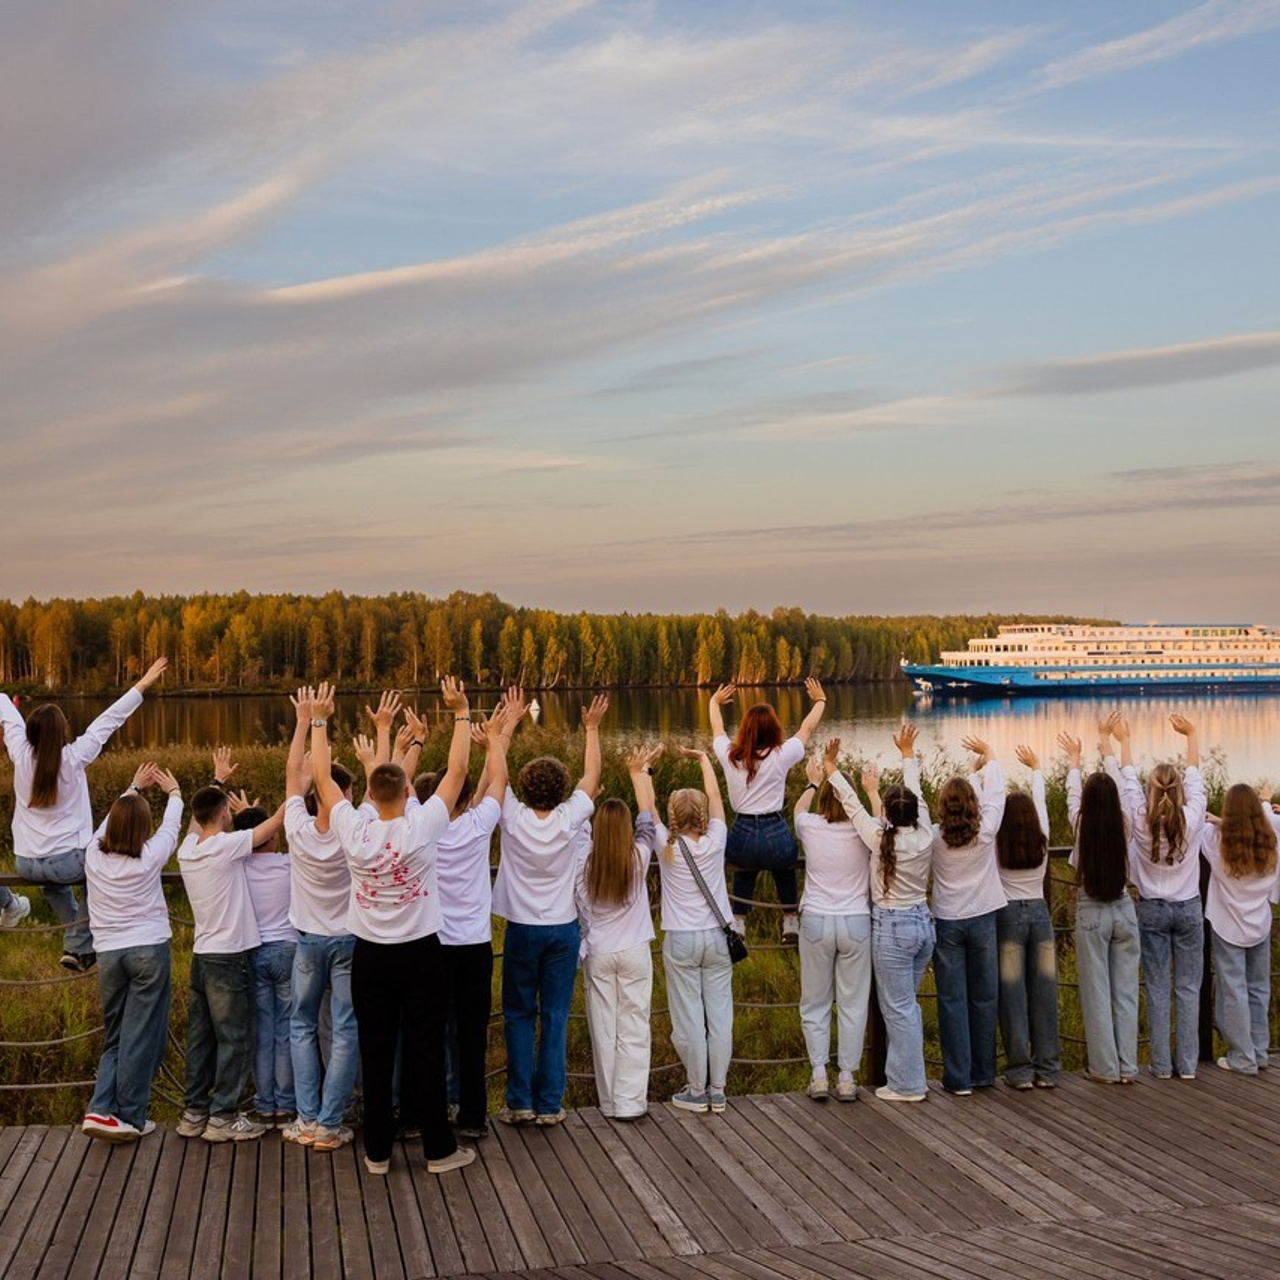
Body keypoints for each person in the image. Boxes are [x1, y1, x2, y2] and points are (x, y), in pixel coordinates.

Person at [310, 678, 480, 1177]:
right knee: (425, 1050)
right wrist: (462, 712)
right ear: (408, 792)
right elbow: (458, 770)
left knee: (376, 1049)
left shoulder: (354, 828)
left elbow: (322, 780)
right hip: (420, 954)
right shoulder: (421, 824)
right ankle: (436, 1150)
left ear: (366, 794)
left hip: (370, 956)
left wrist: (320, 720)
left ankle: (378, 1152)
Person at [1, 657, 168, 969]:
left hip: (26, 863)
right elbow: (111, 718)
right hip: (67, 861)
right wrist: (144, 682)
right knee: (100, 877)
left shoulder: (20, 753)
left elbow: (1, 703)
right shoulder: (75, 757)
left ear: (32, 733)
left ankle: (76, 945)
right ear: (62, 732)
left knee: (53, 884)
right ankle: (80, 942)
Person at [492, 691, 607, 1127]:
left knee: (519, 1016)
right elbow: (592, 775)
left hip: (523, 930)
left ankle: (519, 1101)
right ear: (562, 791)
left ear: (524, 789)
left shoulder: (513, 817)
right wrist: (591, 728)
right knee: (555, 1017)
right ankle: (549, 1105)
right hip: (563, 931)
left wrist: (506, 727)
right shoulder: (569, 819)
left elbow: (495, 776)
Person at [414, 697, 516, 1140]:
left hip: (433, 943)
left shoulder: (422, 826)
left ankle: (431, 1111)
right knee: (473, 1033)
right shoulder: (477, 827)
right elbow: (499, 783)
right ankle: (473, 1116)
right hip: (473, 945)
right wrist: (495, 741)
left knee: (432, 1034)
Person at [824, 726, 935, 1103]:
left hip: (893, 929)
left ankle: (908, 1085)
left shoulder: (878, 838)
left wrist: (831, 769)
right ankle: (908, 1077)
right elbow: (915, 794)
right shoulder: (925, 835)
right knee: (907, 1006)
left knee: (899, 1008)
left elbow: (852, 806)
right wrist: (907, 754)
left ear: (886, 814)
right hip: (923, 924)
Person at [176, 763, 285, 1142]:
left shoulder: (188, 849)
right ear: (224, 815)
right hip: (230, 955)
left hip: (202, 955)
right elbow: (269, 829)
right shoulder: (226, 846)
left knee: (201, 1037)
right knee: (236, 1037)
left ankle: (193, 1113)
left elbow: (196, 821)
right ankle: (224, 1116)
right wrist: (297, 789)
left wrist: (217, 781)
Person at [81, 763, 183, 1141]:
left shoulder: (93, 854)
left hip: (108, 954)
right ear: (143, 829)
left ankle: (100, 1109)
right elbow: (171, 828)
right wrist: (174, 794)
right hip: (147, 952)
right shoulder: (149, 856)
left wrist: (133, 788)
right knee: (141, 1035)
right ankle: (130, 1117)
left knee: (117, 1034)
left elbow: (104, 826)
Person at [281, 687, 361, 1152]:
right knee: (346, 1028)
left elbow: (295, 774)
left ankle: (307, 1118)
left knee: (301, 1025)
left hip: (309, 942)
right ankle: (331, 1124)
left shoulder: (297, 828)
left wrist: (305, 722)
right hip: (349, 940)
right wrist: (321, 723)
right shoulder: (353, 831)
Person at [1112, 714, 1207, 1081]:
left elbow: (1128, 778)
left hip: (1150, 909)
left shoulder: (1139, 816)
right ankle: (1187, 1066)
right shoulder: (1193, 816)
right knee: (1187, 987)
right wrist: (1192, 735)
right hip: (1188, 909)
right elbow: (1196, 777)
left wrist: (1124, 740)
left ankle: (1162, 1067)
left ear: (1151, 791)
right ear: (1179, 791)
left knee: (1155, 986)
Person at [578, 744, 662, 1122]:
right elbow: (648, 819)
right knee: (634, 1026)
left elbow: (576, 828)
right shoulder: (638, 857)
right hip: (634, 952)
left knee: (603, 1028)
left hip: (597, 952)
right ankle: (631, 1101)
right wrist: (638, 772)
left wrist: (587, 797)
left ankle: (609, 1101)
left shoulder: (584, 865)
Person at [709, 679, 827, 939]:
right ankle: (790, 921)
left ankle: (738, 923)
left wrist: (713, 703)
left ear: (745, 729)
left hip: (741, 834)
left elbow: (717, 728)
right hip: (775, 832)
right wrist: (820, 701)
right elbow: (807, 728)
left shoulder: (731, 756)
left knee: (744, 865)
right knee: (784, 864)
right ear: (774, 729)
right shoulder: (781, 754)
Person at [655, 745, 733, 1114]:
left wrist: (644, 768)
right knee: (720, 1016)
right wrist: (705, 761)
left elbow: (643, 806)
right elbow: (717, 797)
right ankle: (718, 1090)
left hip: (683, 940)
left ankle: (696, 1089)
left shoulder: (665, 846)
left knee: (688, 1016)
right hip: (719, 938)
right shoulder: (716, 840)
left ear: (672, 815)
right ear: (702, 814)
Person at [1060, 728, 1139, 1084]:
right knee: (1126, 993)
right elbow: (1123, 789)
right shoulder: (1125, 823)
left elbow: (1071, 796)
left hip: (1092, 908)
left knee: (1096, 992)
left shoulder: (1080, 824)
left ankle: (1105, 1069)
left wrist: (1074, 760)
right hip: (1124, 906)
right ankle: (1128, 1067)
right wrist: (1110, 746)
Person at [929, 737, 1007, 1096]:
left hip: (947, 920)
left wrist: (968, 773)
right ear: (973, 805)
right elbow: (996, 796)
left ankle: (958, 1079)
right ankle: (983, 1073)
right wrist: (988, 760)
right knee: (984, 997)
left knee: (951, 1000)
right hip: (983, 918)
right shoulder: (986, 831)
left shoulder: (934, 837)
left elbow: (916, 799)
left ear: (943, 807)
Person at [793, 749, 871, 1102]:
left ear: (824, 799)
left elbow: (797, 811)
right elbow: (879, 819)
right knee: (853, 1003)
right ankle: (847, 1077)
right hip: (855, 920)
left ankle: (819, 1073)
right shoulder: (864, 831)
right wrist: (871, 791)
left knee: (815, 1001)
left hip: (817, 920)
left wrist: (811, 781)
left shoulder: (810, 827)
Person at [1201, 785, 1280, 1074]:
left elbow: (1198, 827)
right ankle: (1259, 1052)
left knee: (1233, 990)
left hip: (1227, 925)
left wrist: (1219, 822)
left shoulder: (1216, 841)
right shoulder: (1272, 841)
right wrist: (1266, 801)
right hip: (1259, 923)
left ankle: (1241, 1056)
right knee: (1259, 989)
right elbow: (1268, 821)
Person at [994, 747, 1059, 1090]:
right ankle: (1048, 1068)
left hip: (1007, 918)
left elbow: (987, 810)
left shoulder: (997, 842)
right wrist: (1036, 769)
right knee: (1045, 992)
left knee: (1013, 995)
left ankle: (1019, 1070)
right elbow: (1043, 805)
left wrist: (983, 768)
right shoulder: (1043, 838)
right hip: (1040, 915)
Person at [236, 803, 298, 1128]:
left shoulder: (239, 866)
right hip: (288, 948)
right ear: (272, 835)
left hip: (254, 949)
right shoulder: (288, 864)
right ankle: (286, 1104)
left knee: (263, 1030)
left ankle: (264, 1104)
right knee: (286, 1029)